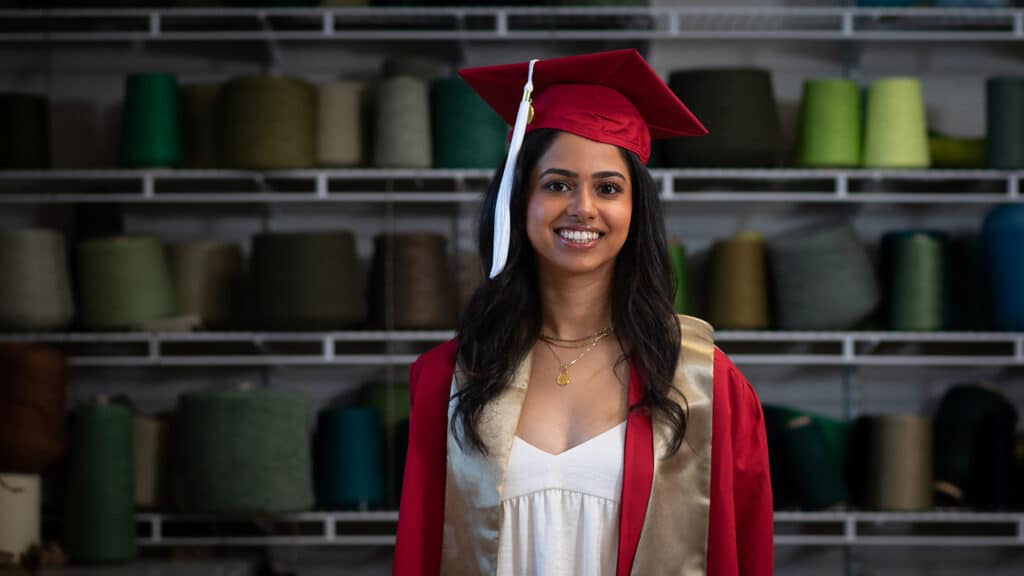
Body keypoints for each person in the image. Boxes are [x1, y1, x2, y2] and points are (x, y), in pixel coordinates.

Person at [393, 49, 773, 576]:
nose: (583, 207)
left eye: (608, 188)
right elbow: (420, 552)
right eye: (557, 184)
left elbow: (745, 552)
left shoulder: (705, 383)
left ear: (636, 209)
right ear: (518, 200)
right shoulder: (450, 379)